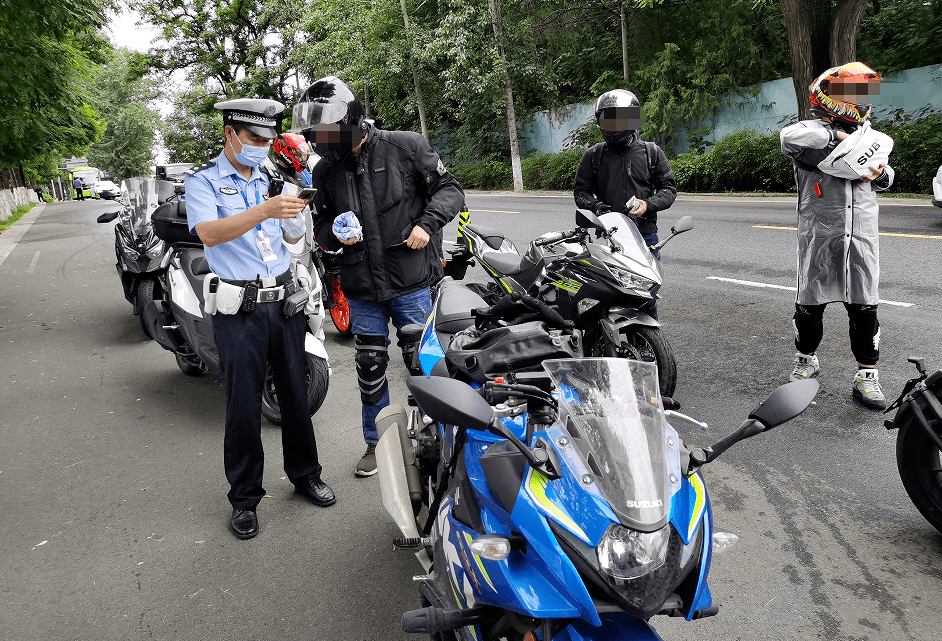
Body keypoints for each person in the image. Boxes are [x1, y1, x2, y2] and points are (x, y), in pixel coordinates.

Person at [293, 76, 464, 477]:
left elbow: (450, 189)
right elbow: (318, 227)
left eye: (325, 130)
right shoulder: (324, 172)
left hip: (410, 281)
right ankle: (377, 443)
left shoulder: (405, 146)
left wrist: (426, 222)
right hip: (361, 286)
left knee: (421, 363)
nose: (319, 139)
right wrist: (332, 233)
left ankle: (440, 437)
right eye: (314, 132)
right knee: (370, 366)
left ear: (349, 122)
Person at [184, 98, 335, 540]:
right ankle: (245, 499)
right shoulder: (204, 182)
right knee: (243, 405)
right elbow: (209, 233)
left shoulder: (272, 179)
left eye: (269, 140)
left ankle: (305, 475)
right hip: (240, 309)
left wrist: (293, 217)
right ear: (230, 133)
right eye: (254, 138)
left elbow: (287, 238)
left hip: (283, 300)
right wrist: (265, 211)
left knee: (295, 394)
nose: (262, 147)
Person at [779, 62, 894, 410]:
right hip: (819, 233)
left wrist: (881, 174)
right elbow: (788, 138)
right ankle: (805, 360)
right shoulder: (810, 132)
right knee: (810, 303)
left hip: (861, 236)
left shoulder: (871, 137)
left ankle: (867, 375)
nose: (859, 101)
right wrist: (839, 137)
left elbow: (886, 173)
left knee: (864, 306)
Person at [573, 89, 677, 319]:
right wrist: (596, 207)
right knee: (604, 301)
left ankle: (649, 347)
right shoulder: (593, 156)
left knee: (645, 302)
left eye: (619, 119)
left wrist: (648, 205)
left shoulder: (652, 152)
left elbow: (669, 190)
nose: (613, 125)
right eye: (607, 119)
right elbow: (580, 193)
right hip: (608, 239)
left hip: (644, 238)